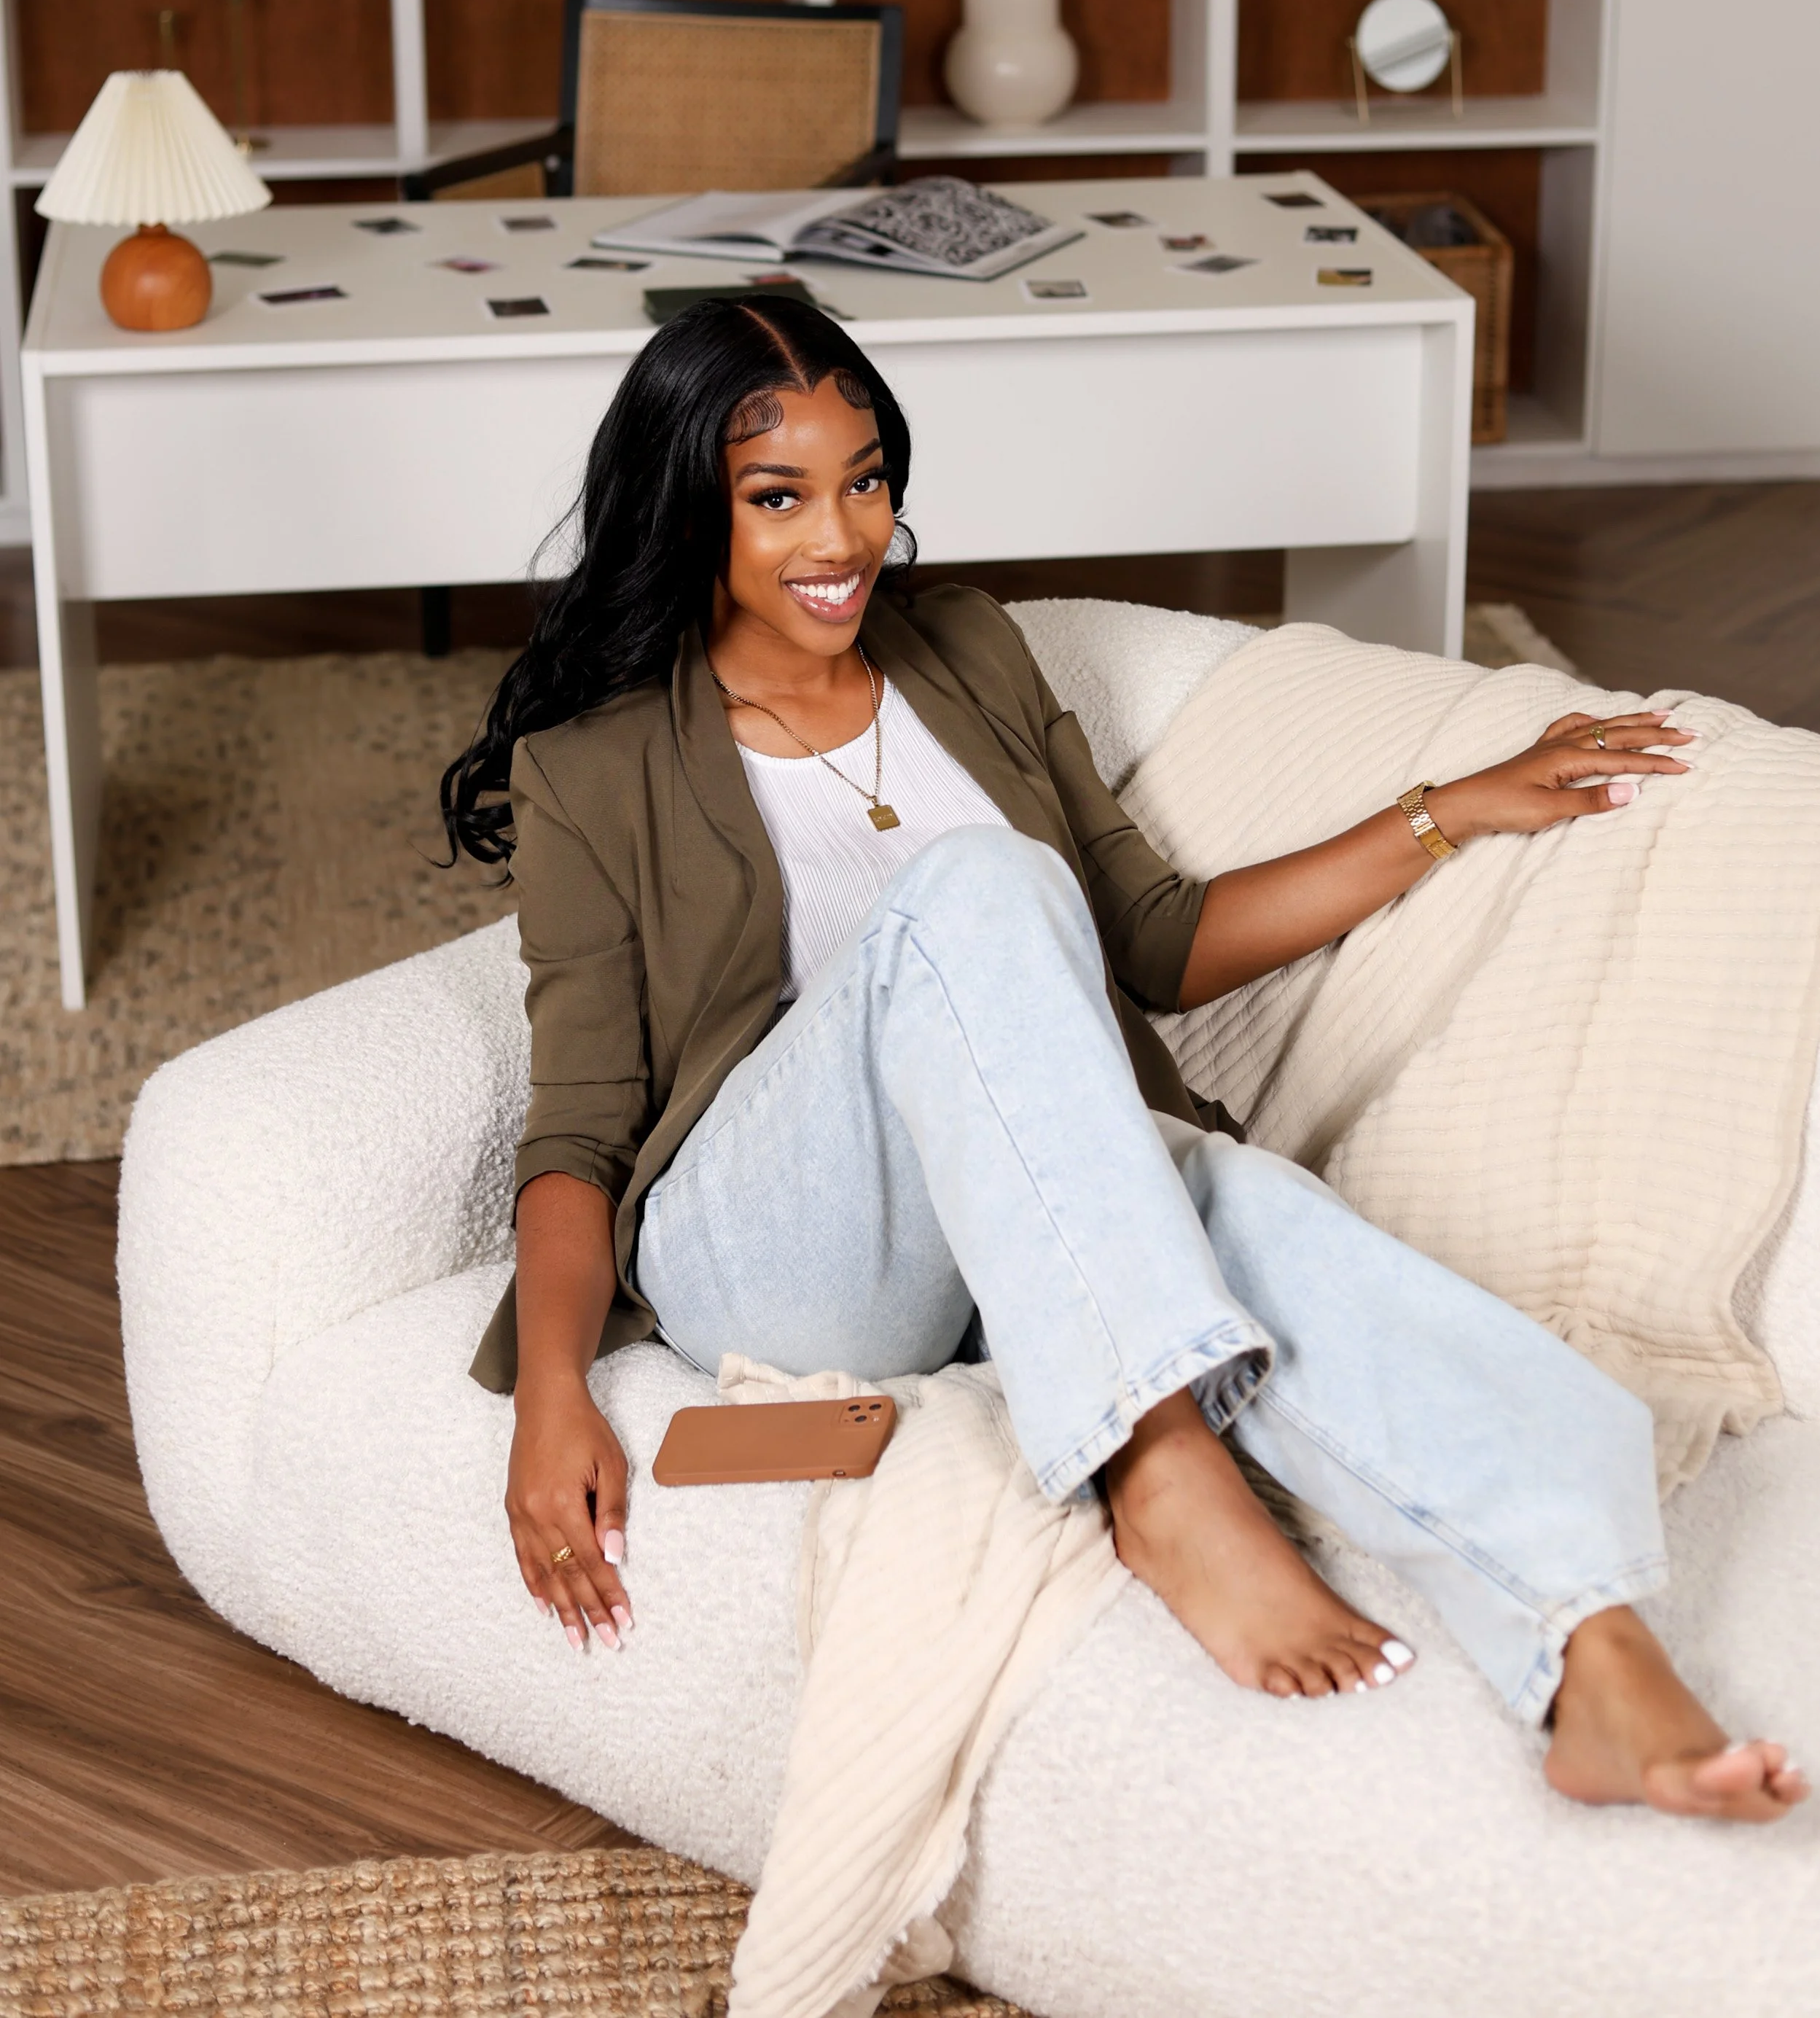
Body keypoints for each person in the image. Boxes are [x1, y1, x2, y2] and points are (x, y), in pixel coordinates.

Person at [444, 295, 1804, 1825]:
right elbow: (575, 1125)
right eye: (779, 498)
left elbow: (1152, 937)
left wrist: (1446, 810)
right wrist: (551, 1389)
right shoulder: (597, 761)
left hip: (1006, 1231)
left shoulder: (965, 648)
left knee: (1244, 1211)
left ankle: (1594, 1651)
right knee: (978, 887)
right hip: (777, 1247)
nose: (845, 538)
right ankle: (1158, 1458)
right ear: (689, 506)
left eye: (868, 479)